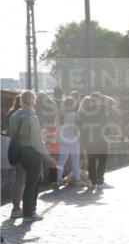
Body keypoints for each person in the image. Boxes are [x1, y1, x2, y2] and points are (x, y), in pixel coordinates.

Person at [8, 90, 56, 222]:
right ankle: (29, 212)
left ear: (21, 101)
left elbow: (13, 134)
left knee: (26, 179)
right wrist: (48, 157)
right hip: (32, 152)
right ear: (34, 101)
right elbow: (37, 142)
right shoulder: (33, 117)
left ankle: (22, 210)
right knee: (32, 181)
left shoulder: (14, 116)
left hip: (18, 151)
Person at [55, 94, 81, 187]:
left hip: (63, 138)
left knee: (61, 160)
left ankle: (58, 179)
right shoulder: (76, 114)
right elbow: (78, 127)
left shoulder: (60, 114)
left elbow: (56, 126)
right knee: (75, 159)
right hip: (73, 139)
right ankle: (77, 179)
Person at [6, 97, 25, 218]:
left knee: (18, 178)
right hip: (21, 147)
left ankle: (16, 206)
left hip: (12, 146)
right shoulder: (22, 115)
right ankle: (16, 208)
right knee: (20, 178)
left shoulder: (11, 113)